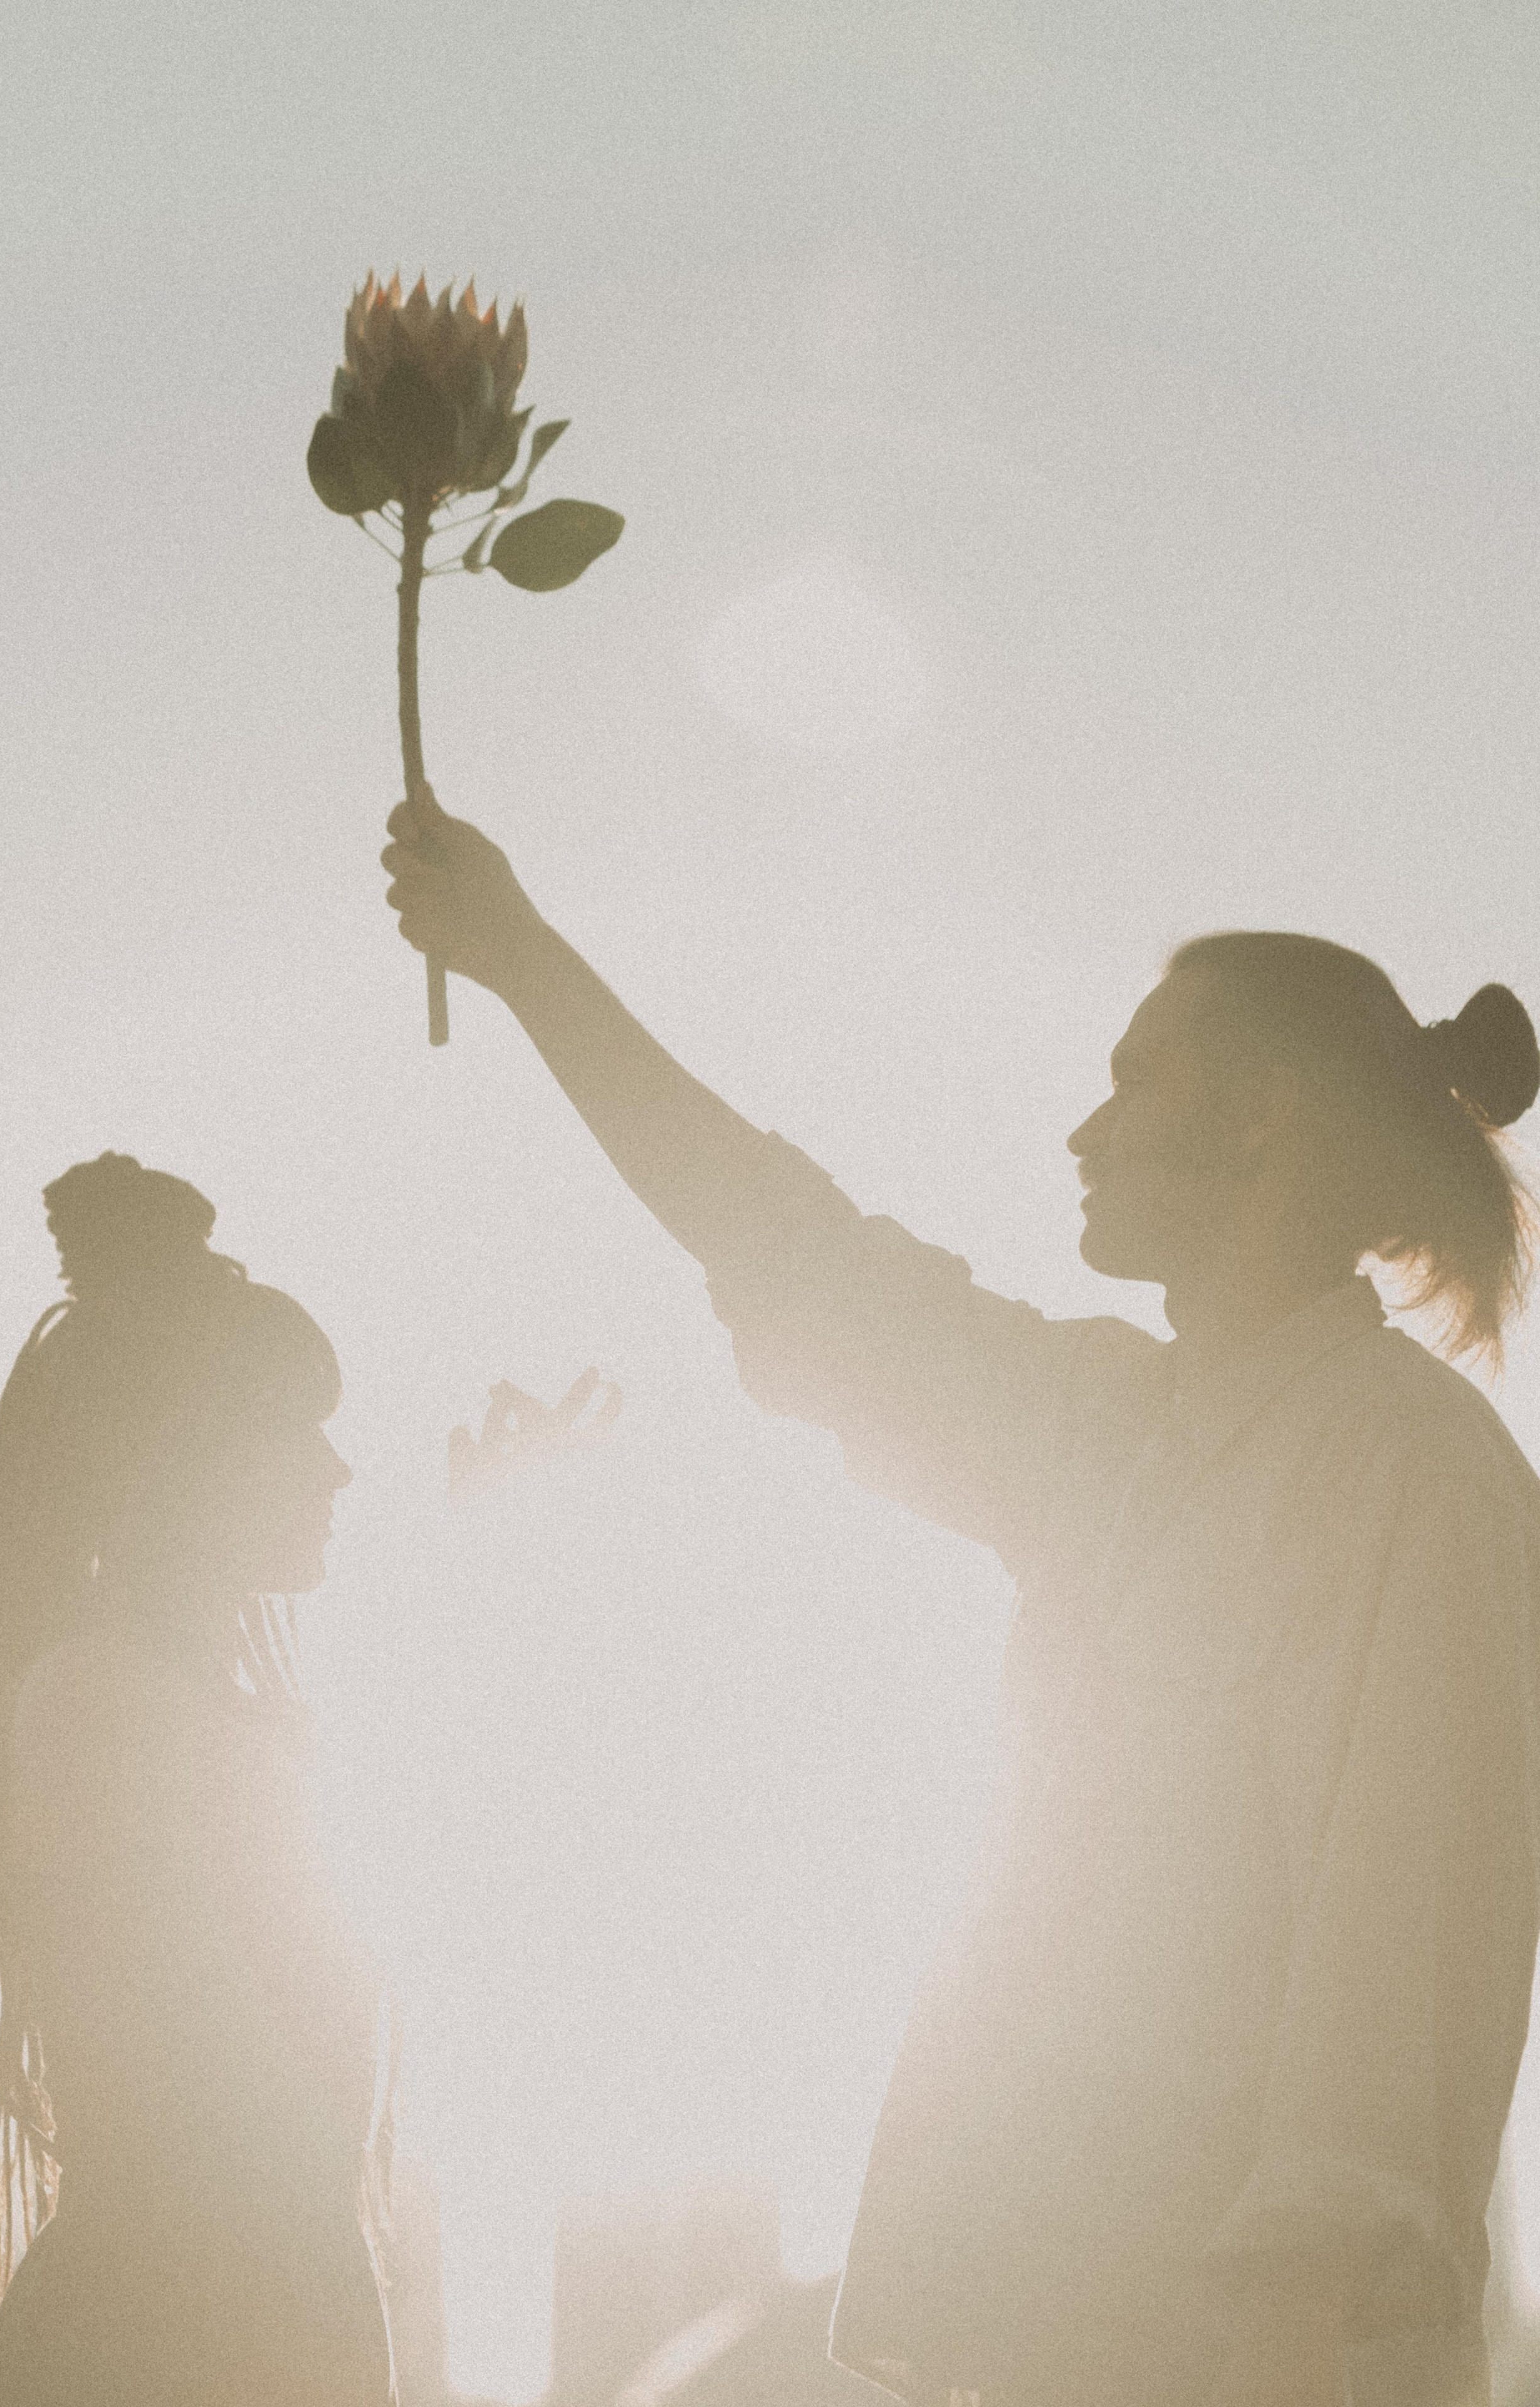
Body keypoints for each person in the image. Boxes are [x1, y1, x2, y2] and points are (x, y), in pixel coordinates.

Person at [382, 789, 1540, 2407]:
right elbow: (795, 1248)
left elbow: (1396, 1941)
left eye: (1138, 1077)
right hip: (1055, 2328)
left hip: (1261, 2359)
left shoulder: (1407, 1468)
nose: (1085, 1130)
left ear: (1268, 1114)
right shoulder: (1110, 1428)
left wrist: (1296, 2337)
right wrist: (522, 958)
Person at [0, 1152, 392, 2406]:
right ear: (187, 1456)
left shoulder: (170, 1711)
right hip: (175, 2343)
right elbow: (219, 2122)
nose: (337, 1470)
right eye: (291, 1429)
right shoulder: (104, 1708)